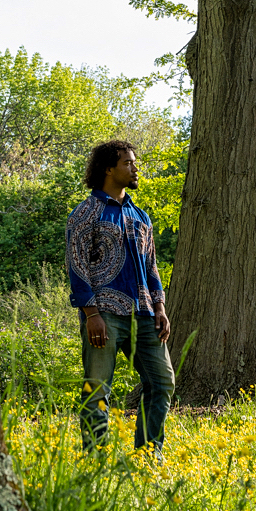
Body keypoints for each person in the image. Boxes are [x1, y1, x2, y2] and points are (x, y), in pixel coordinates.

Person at [65, 140, 174, 455]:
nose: (135, 168)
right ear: (108, 169)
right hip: (105, 315)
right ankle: (94, 458)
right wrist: (91, 315)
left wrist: (161, 308)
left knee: (163, 383)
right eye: (127, 162)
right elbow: (78, 266)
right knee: (97, 390)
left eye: (134, 162)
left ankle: (148, 454)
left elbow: (151, 265)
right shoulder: (86, 213)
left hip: (145, 314)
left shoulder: (141, 216)